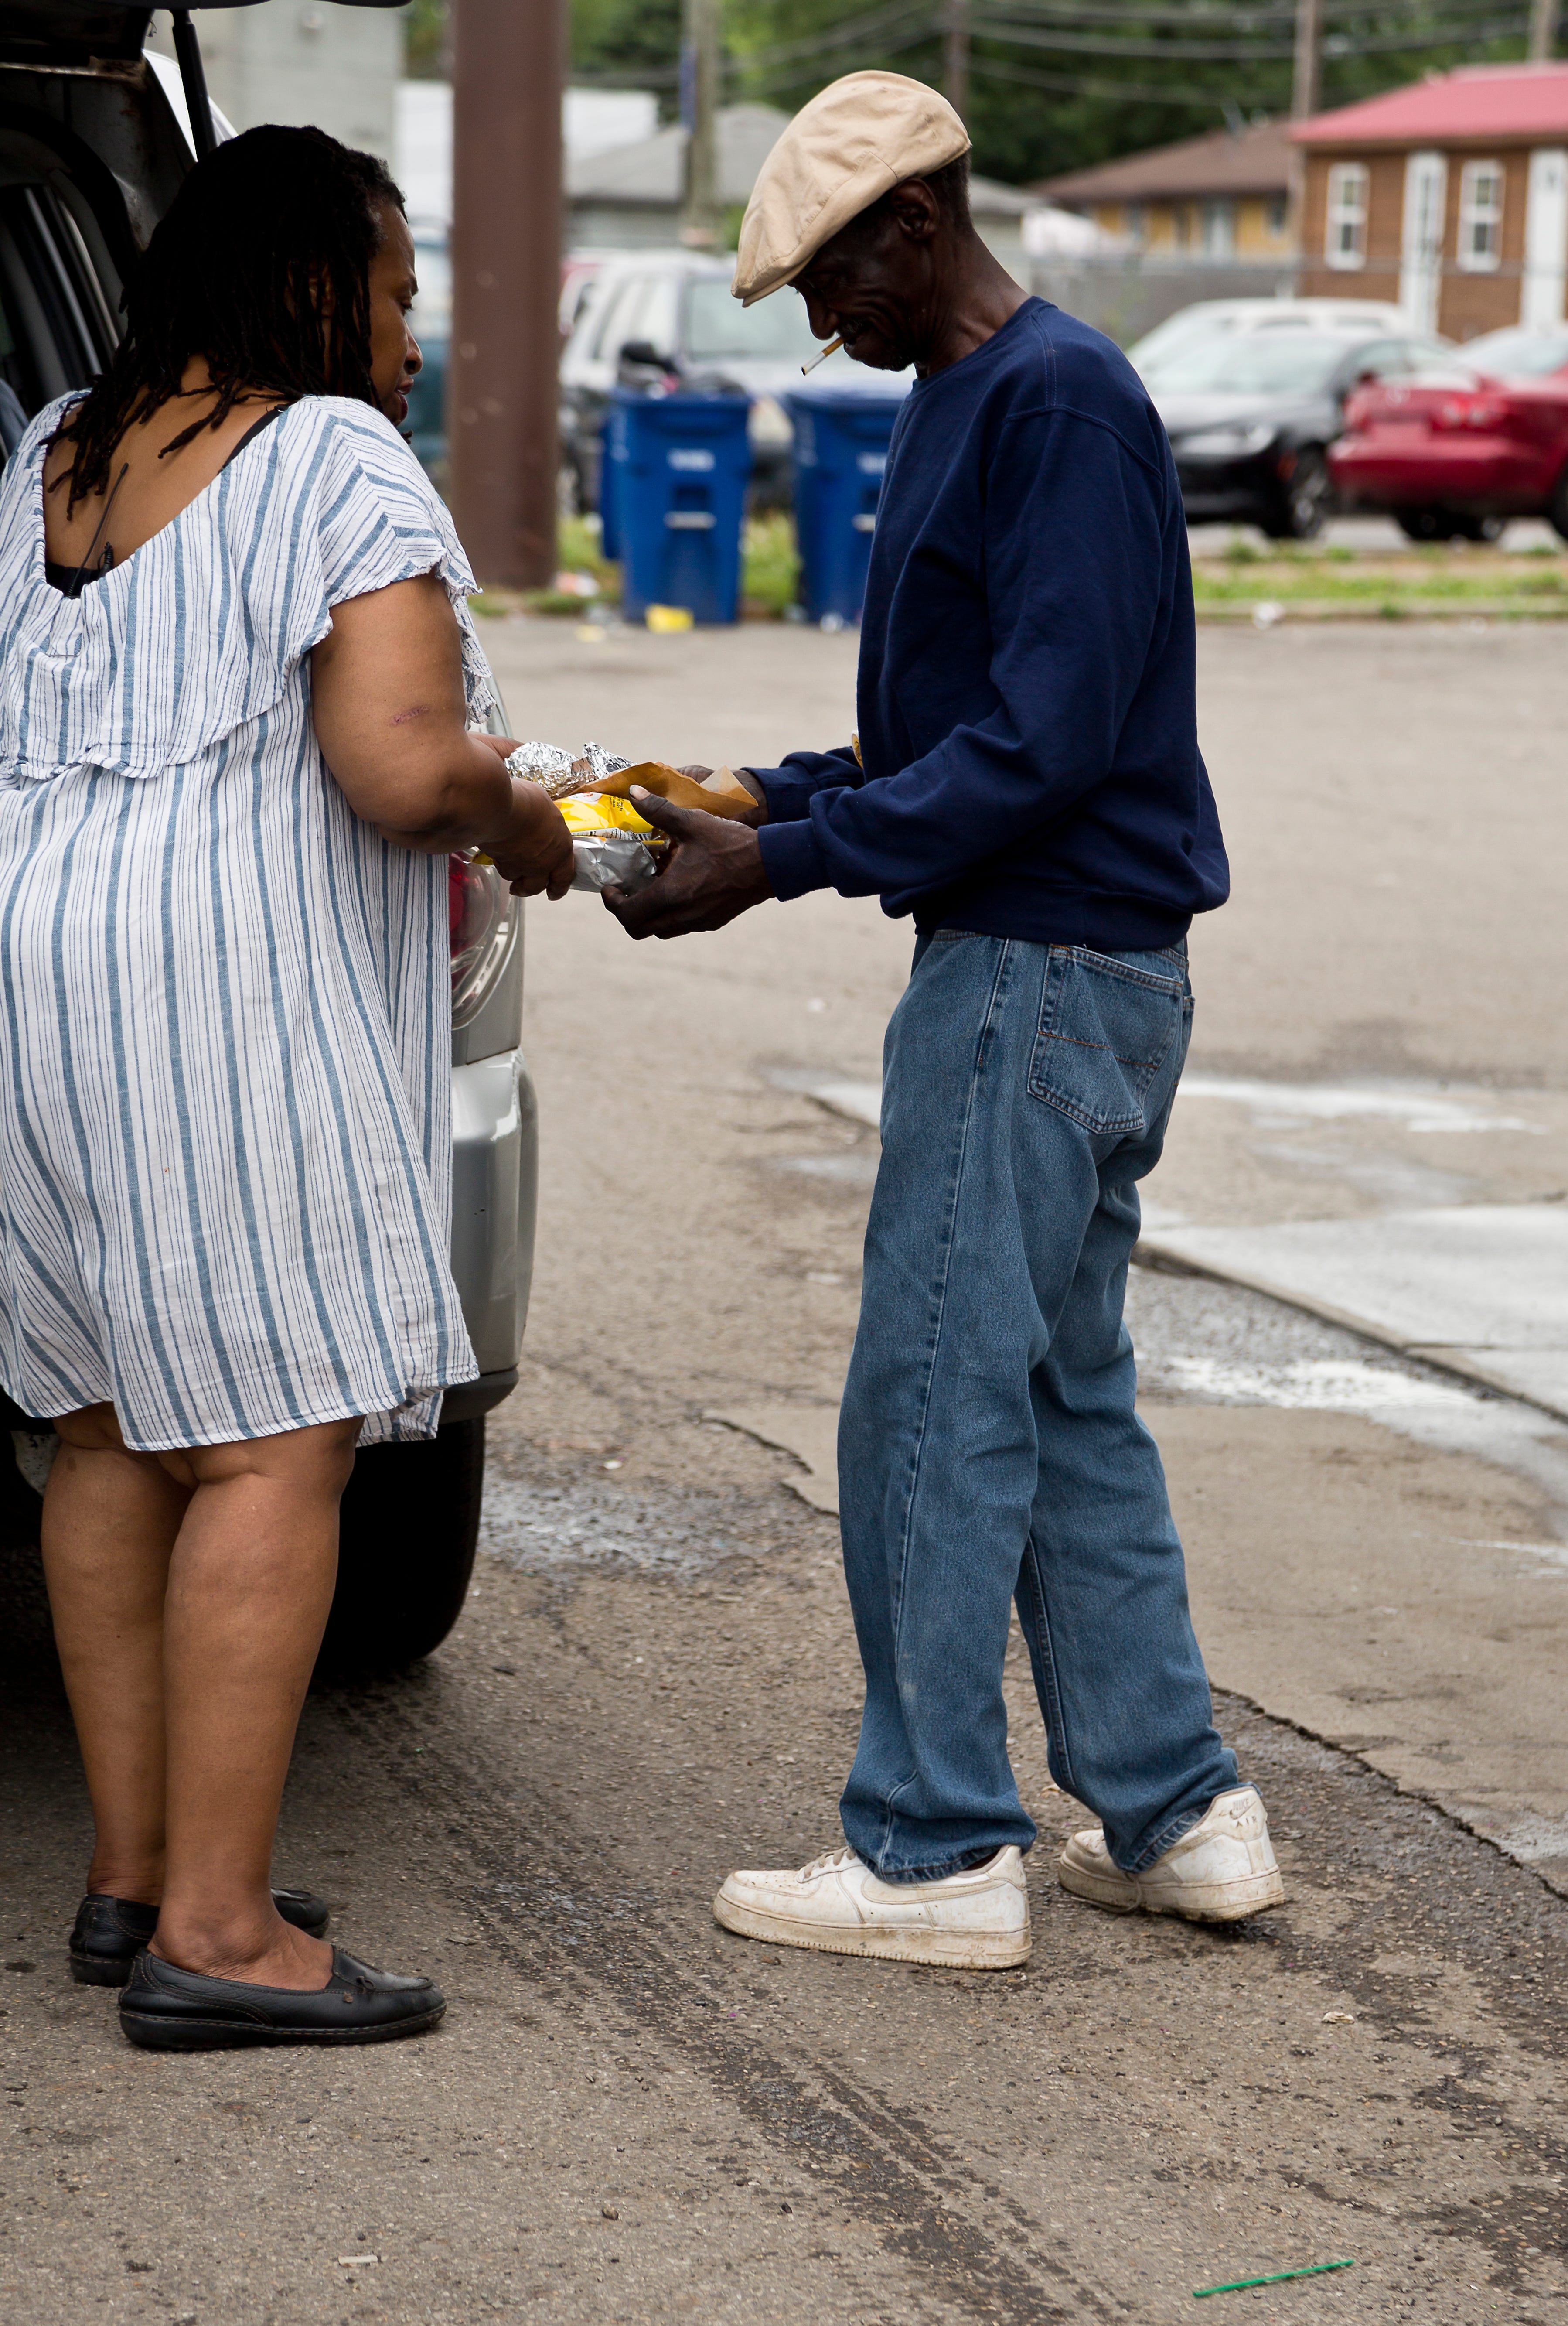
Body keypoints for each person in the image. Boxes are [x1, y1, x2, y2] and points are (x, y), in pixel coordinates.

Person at [605, 72, 1284, 1966]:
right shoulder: (984, 396)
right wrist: (752, 795)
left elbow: (1041, 747)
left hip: (1031, 977)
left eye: (830, 284)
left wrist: (782, 863)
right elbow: (947, 742)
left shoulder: (1047, 398)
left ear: (915, 226)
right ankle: (1174, 1810)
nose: (823, 326)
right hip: (1076, 967)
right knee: (1061, 1396)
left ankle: (927, 1846)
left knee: (927, 1389)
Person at [0, 126, 573, 2047]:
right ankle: (224, 1936)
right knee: (275, 1438)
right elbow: (402, 769)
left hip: (37, 966)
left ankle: (134, 1875)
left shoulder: (59, 453)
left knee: (101, 1430)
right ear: (316, 279)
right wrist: (527, 809)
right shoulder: (329, 452)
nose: (408, 333)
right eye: (399, 287)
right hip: (217, 983)